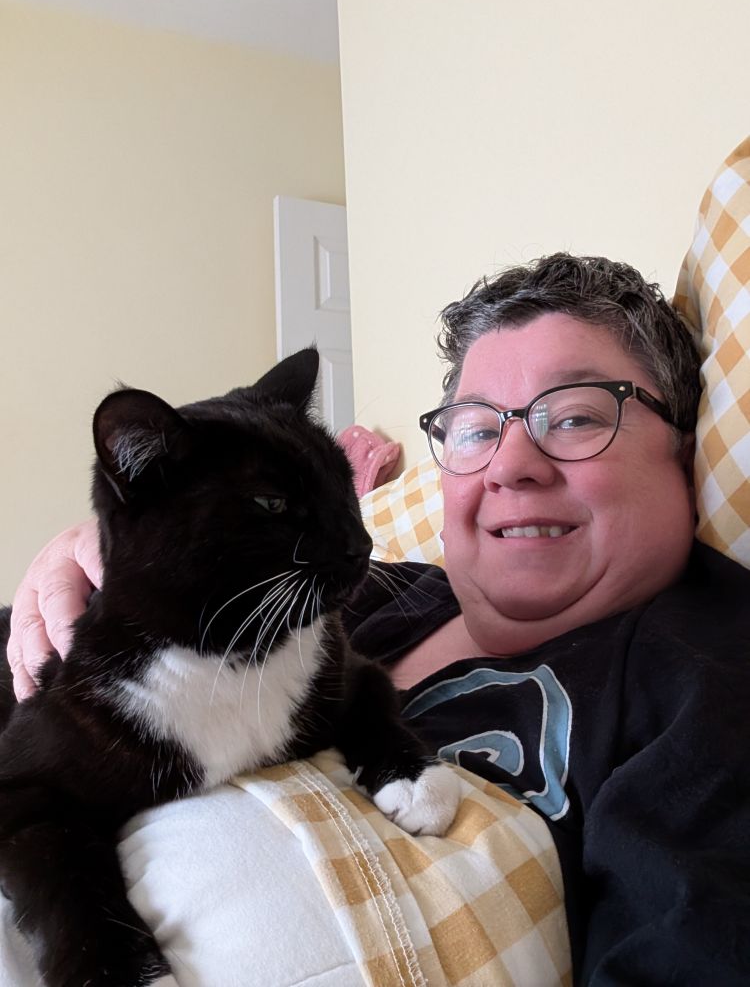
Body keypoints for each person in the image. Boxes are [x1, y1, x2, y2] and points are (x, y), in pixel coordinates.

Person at [7, 253, 750, 984]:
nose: (509, 465)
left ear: (683, 450)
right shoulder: (377, 590)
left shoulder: (701, 689)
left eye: (576, 417)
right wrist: (97, 560)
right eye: (476, 429)